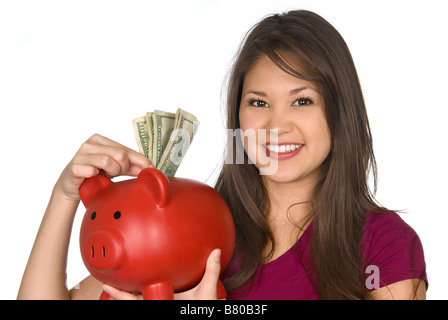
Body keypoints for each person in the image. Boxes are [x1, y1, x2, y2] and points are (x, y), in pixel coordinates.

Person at [17, 9, 427, 300]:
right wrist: (64, 196)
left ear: (341, 113)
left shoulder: (383, 245)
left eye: (302, 101)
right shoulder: (190, 224)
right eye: (258, 102)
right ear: (236, 116)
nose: (276, 126)